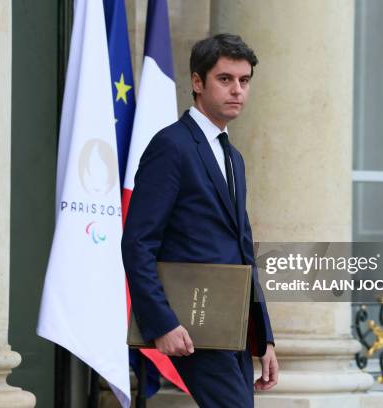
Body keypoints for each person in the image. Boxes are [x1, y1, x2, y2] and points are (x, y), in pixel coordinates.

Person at [122, 33, 278, 407]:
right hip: (191, 324)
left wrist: (264, 338)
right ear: (197, 82)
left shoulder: (234, 158)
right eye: (225, 79)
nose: (237, 90)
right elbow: (137, 242)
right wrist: (161, 323)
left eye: (244, 80)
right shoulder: (171, 146)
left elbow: (242, 250)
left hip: (233, 327)